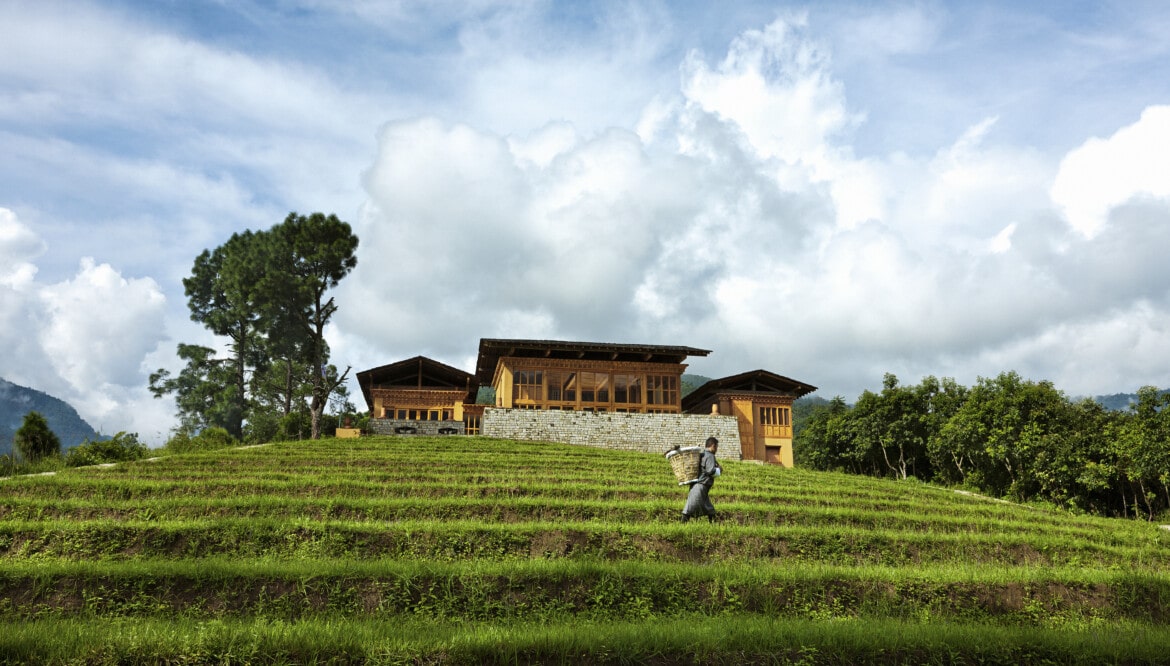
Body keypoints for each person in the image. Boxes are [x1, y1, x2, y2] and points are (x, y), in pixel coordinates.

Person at [681, 436, 722, 523]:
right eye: (717, 447)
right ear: (713, 446)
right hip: (700, 486)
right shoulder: (710, 456)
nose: (717, 449)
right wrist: (719, 470)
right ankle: (681, 526)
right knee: (689, 507)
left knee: (709, 509)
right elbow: (710, 470)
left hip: (699, 486)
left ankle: (714, 526)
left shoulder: (702, 454)